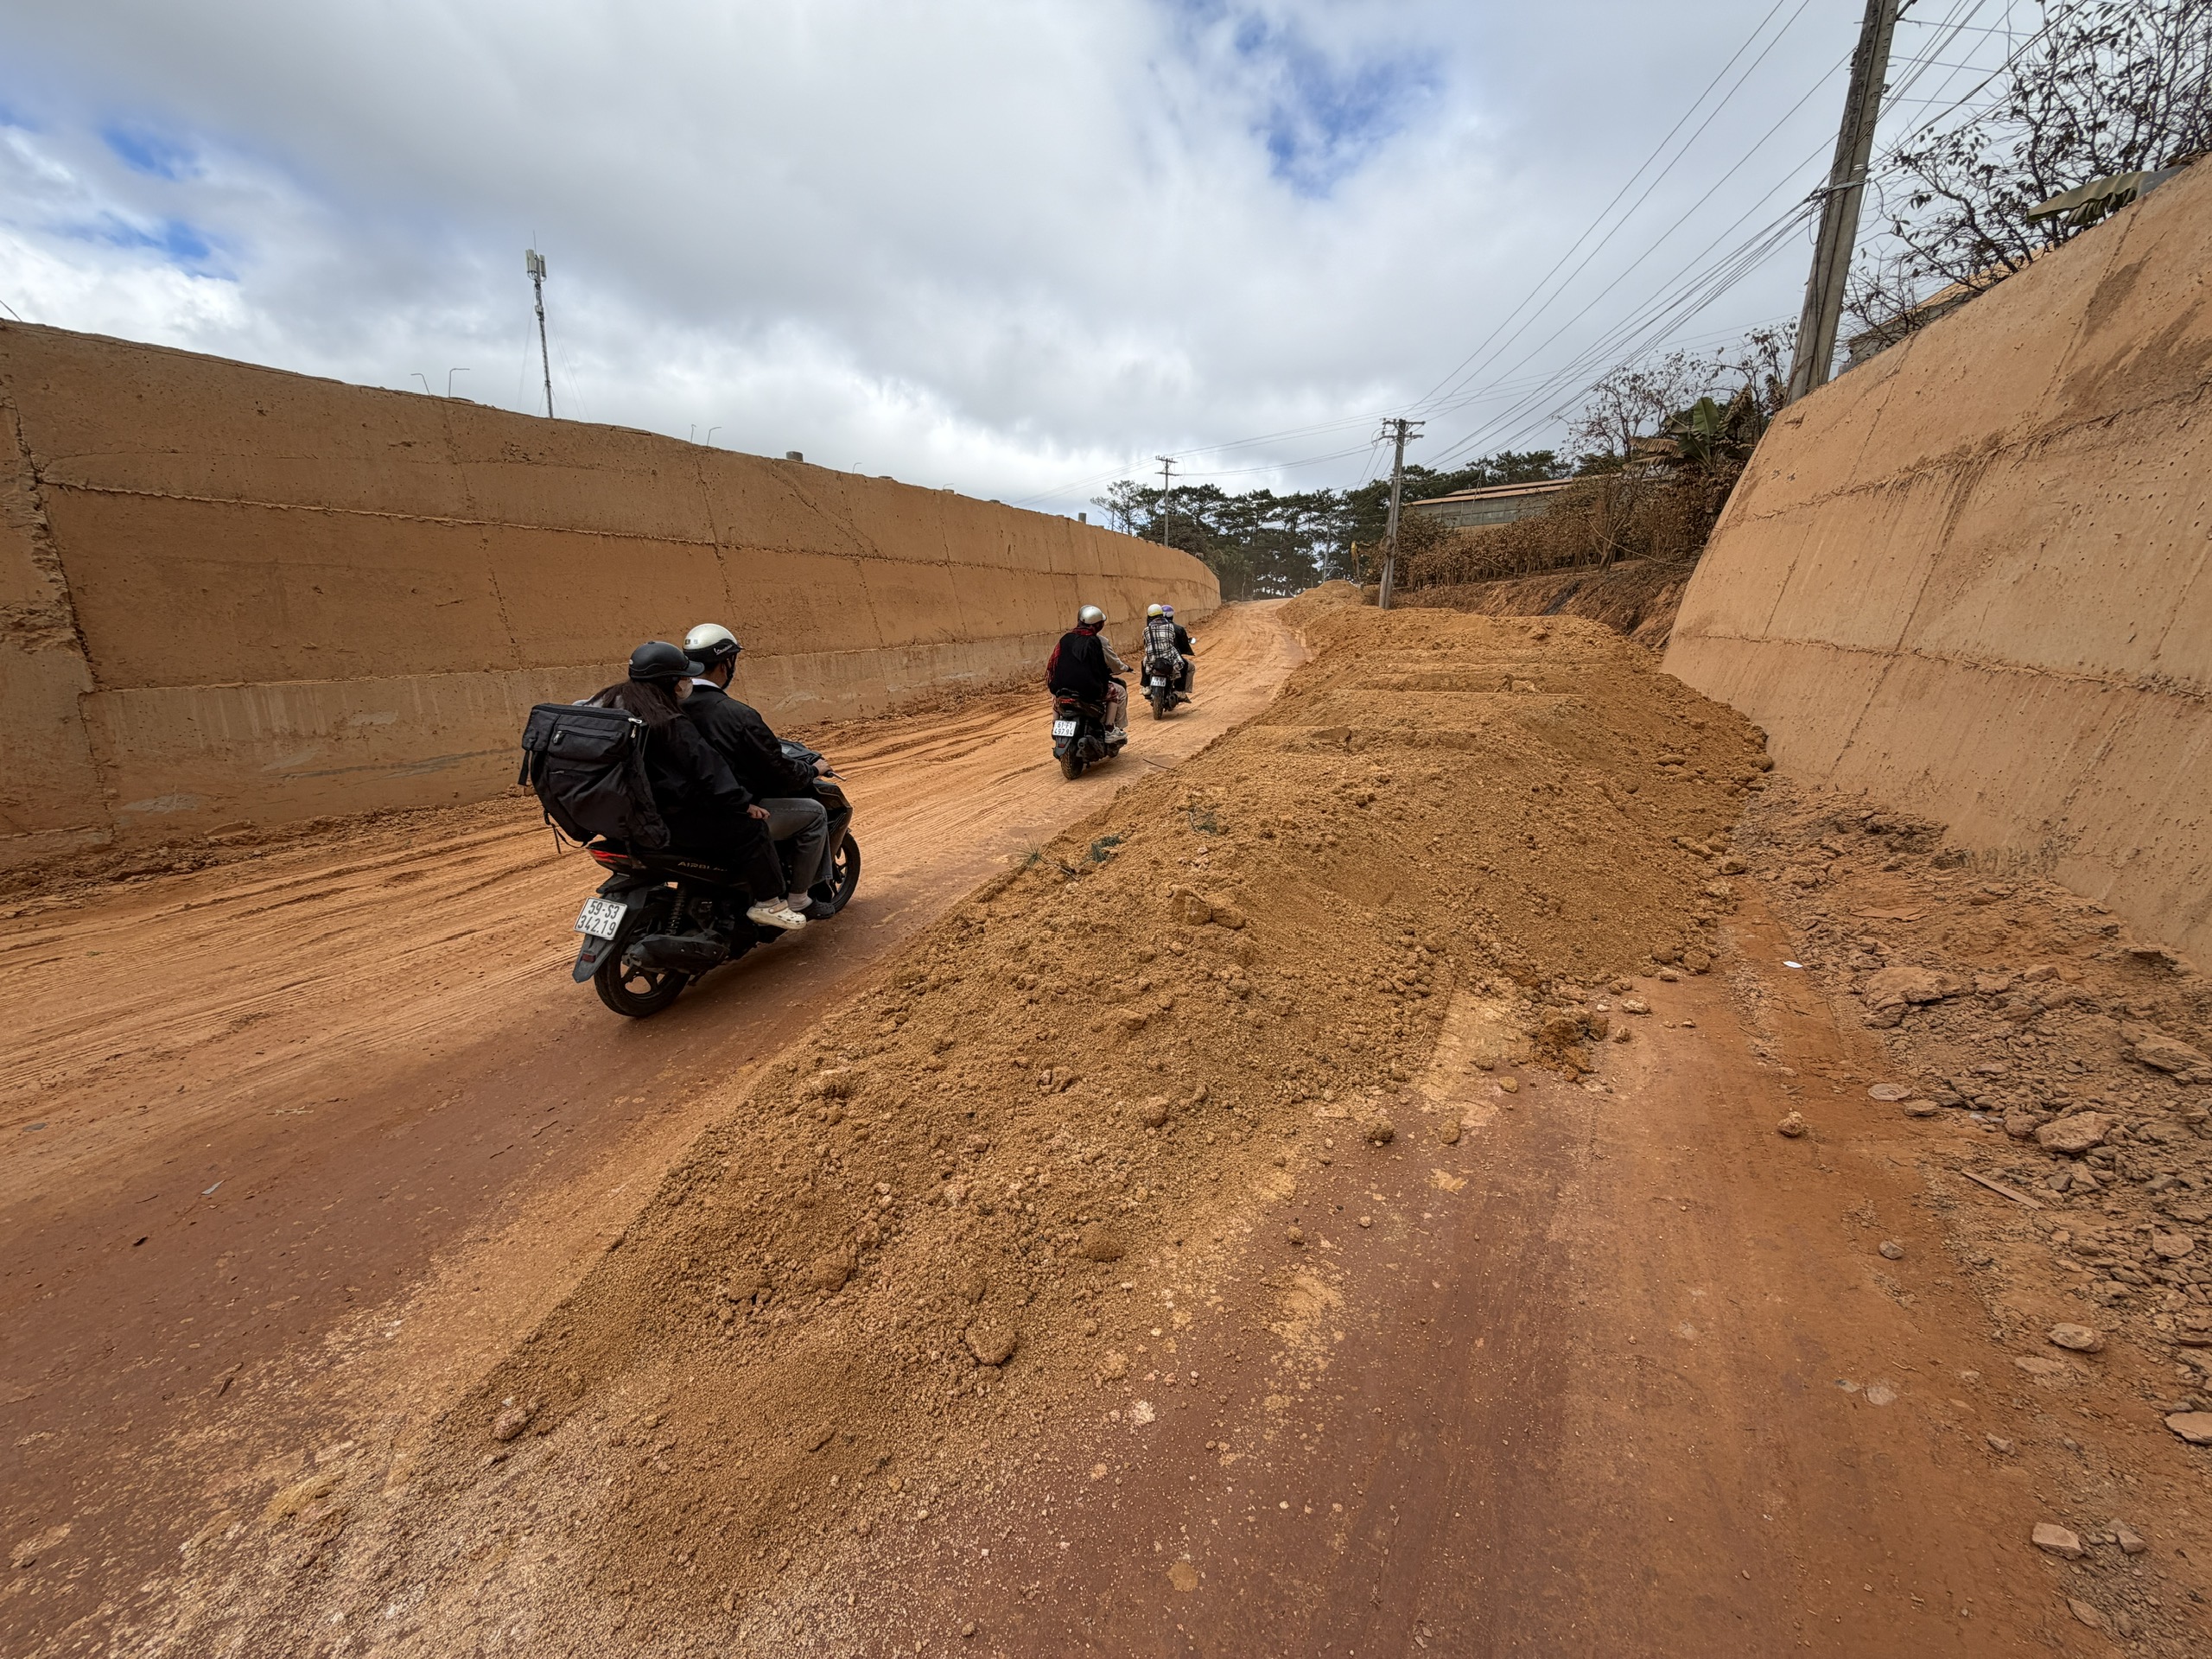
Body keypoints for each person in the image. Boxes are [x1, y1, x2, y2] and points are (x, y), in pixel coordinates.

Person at [585, 642, 808, 931]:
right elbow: (709, 770)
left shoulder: (610, 703)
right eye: (683, 677)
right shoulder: (670, 721)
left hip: (623, 815)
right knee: (750, 830)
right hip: (667, 819)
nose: (687, 682)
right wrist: (743, 804)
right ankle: (770, 903)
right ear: (669, 682)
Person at [681, 622, 842, 921]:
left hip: (677, 815)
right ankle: (798, 899)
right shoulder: (736, 715)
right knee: (814, 813)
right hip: (730, 814)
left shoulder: (666, 708)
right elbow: (777, 772)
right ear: (727, 662)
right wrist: (811, 769)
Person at [1046, 604, 1127, 739]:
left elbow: (1055, 664)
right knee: (1114, 692)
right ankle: (1109, 728)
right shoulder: (1094, 641)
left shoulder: (1065, 638)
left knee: (1056, 693)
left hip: (1061, 687)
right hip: (1087, 690)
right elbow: (1098, 668)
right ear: (1097, 625)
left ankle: (1055, 722)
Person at [1141, 603, 1197, 697]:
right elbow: (1171, 641)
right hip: (1168, 659)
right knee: (1184, 665)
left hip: (1152, 660)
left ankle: (1146, 686)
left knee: (1143, 662)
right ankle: (1180, 691)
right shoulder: (1170, 627)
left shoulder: (1146, 630)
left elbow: (1146, 644)